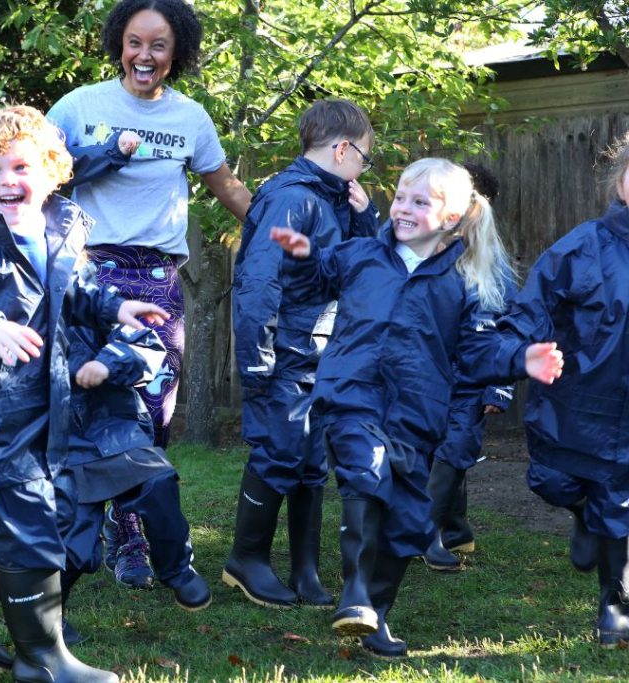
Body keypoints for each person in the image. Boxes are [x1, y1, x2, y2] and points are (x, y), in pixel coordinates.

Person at [0, 105, 165, 682]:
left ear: (52, 172)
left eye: (21, 167)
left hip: (42, 408)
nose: (8, 181)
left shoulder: (58, 235)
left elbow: (77, 295)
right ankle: (42, 661)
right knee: (31, 534)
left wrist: (117, 306)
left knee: (36, 516)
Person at [270, 157, 563, 657]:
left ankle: (375, 616)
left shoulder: (465, 280)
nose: (402, 207)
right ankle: (355, 594)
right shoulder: (359, 254)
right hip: (351, 394)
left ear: (451, 217)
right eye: (401, 196)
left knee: (409, 522)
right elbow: (311, 286)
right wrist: (300, 258)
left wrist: (520, 359)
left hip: (417, 412)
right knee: (365, 472)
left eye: (419, 201)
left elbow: (475, 353)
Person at [47, 0, 252, 589]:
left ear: (176, 52)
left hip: (159, 280)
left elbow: (229, 190)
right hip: (89, 275)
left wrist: (285, 229)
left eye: (158, 45)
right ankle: (93, 538)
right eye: (135, 42)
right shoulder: (79, 107)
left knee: (155, 412)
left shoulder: (190, 117)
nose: (145, 55)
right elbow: (35, 170)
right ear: (119, 43)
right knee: (90, 407)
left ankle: (129, 529)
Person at [225, 98, 379, 609]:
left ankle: (306, 571)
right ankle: (246, 560)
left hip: (322, 353)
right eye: (365, 157)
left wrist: (365, 217)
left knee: (311, 459)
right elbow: (258, 281)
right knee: (280, 450)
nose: (364, 167)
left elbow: (357, 269)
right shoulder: (292, 198)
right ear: (342, 149)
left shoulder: (336, 199)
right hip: (286, 350)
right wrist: (256, 357)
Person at [482, 136, 629, 647]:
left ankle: (614, 604)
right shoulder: (582, 246)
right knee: (552, 481)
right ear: (620, 181)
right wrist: (511, 351)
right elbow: (531, 307)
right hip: (576, 401)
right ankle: (582, 515)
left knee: (620, 501)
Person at [56, 323, 211, 644]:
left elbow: (146, 344)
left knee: (158, 480)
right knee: (77, 544)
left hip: (113, 427)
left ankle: (176, 569)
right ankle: (48, 615)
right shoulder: (22, 309)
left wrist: (108, 362)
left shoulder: (91, 299)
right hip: (59, 442)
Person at [423, 162, 515, 571]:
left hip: (471, 384)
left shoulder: (494, 270)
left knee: (456, 450)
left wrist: (499, 387)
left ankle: (430, 533)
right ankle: (452, 528)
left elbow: (507, 330)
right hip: (431, 380)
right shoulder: (429, 260)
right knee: (437, 451)